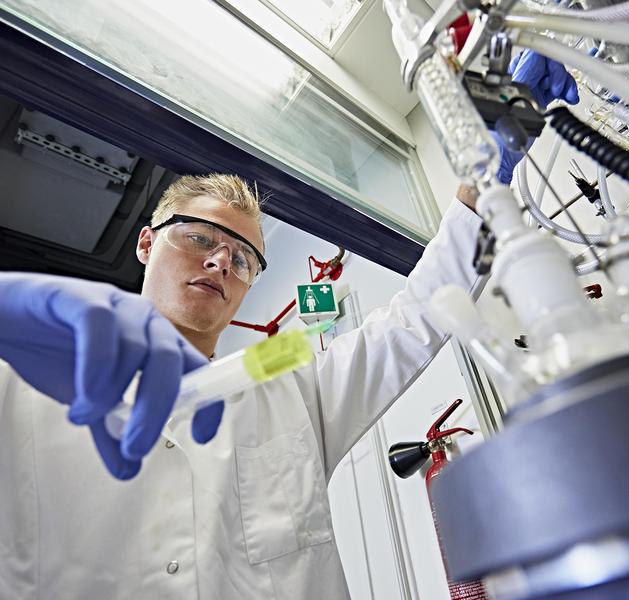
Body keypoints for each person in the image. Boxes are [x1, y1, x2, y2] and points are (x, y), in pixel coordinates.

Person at [0, 52, 577, 599]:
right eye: (199, 237)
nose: (221, 261)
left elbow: (413, 322)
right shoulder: (24, 386)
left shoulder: (283, 388)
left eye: (243, 257)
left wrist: (486, 173)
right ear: (147, 243)